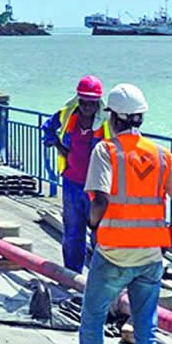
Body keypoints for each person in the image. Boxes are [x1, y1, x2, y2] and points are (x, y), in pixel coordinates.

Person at [80, 84, 172, 344]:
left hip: (112, 254)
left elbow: (100, 200)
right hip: (150, 256)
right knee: (146, 331)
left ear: (113, 117)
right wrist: (166, 241)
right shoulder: (162, 155)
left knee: (92, 320)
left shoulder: (105, 151)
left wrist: (92, 224)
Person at [40, 75, 108, 272]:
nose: (87, 107)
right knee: (72, 233)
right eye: (83, 102)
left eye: (92, 103)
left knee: (100, 234)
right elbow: (47, 128)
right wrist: (59, 147)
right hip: (72, 183)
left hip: (97, 187)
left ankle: (99, 277)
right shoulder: (67, 115)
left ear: (98, 103)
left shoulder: (107, 122)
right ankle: (71, 274)